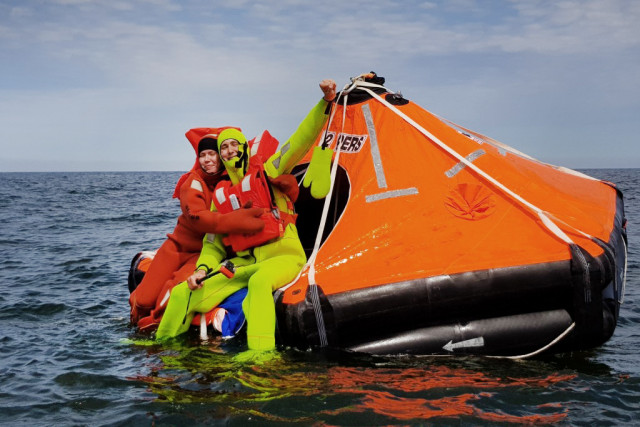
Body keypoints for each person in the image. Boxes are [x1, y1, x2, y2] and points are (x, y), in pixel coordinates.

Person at [155, 79, 338, 351]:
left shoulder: (268, 171)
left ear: (242, 147)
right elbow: (212, 245)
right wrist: (201, 270)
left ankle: (261, 358)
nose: (229, 151)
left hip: (283, 257)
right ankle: (159, 349)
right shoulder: (220, 197)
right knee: (185, 291)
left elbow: (299, 141)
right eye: (224, 148)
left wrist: (325, 102)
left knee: (260, 281)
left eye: (233, 144)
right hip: (243, 264)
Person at [129, 129, 266, 331]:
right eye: (202, 155)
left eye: (211, 154)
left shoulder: (231, 182)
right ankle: (134, 323)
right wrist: (236, 220)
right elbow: (198, 219)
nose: (207, 160)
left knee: (173, 292)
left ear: (220, 157)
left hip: (202, 253)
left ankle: (150, 332)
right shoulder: (192, 182)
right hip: (176, 248)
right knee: (142, 299)